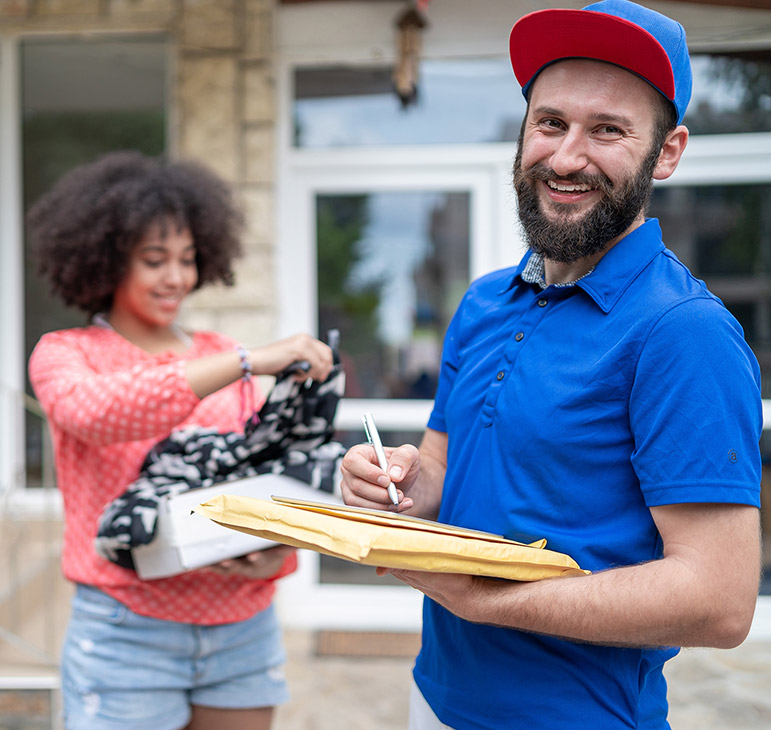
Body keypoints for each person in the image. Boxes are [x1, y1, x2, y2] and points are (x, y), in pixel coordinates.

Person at [340, 2, 763, 729]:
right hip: (435, 696)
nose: (567, 157)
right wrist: (398, 485)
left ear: (666, 153)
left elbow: (718, 601)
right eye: (550, 122)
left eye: (607, 130)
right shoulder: (481, 303)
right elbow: (442, 476)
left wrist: (483, 597)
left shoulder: (681, 333)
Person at [27, 150, 334, 730]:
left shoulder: (217, 352)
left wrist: (273, 553)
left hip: (242, 628)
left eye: (188, 260)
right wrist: (246, 361)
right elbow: (99, 412)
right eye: (154, 260)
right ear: (105, 261)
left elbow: (256, 474)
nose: (176, 278)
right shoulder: (67, 354)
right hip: (127, 632)